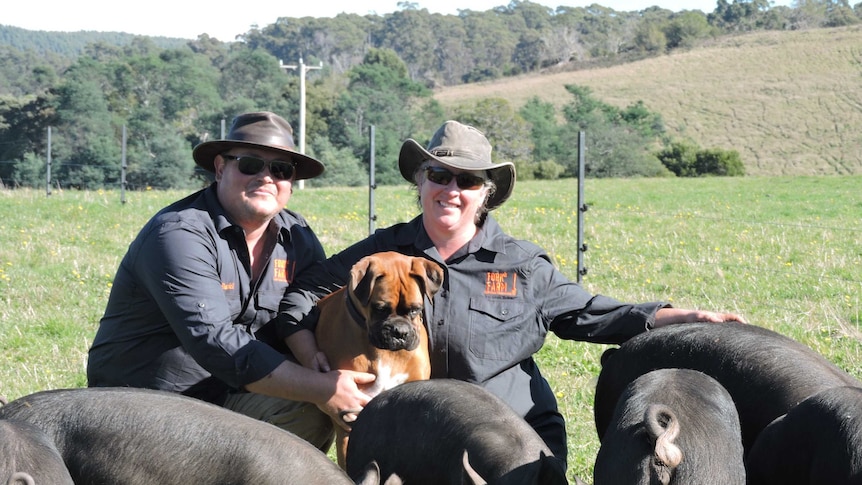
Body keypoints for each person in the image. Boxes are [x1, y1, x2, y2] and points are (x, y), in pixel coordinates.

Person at [279, 120, 747, 466]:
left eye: (466, 180)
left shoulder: (520, 264)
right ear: (420, 181)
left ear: (486, 193)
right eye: (438, 175)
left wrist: (682, 317)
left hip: (512, 435)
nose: (451, 189)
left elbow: (591, 314)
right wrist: (312, 362)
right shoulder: (381, 255)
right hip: (421, 438)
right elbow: (303, 294)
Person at [87, 111, 374, 451]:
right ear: (221, 168)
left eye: (281, 169)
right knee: (310, 401)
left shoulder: (296, 236)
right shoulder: (179, 234)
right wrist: (322, 387)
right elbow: (214, 339)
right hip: (146, 403)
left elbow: (310, 306)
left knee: (304, 413)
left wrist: (324, 361)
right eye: (251, 164)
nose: (267, 178)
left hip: (230, 394)